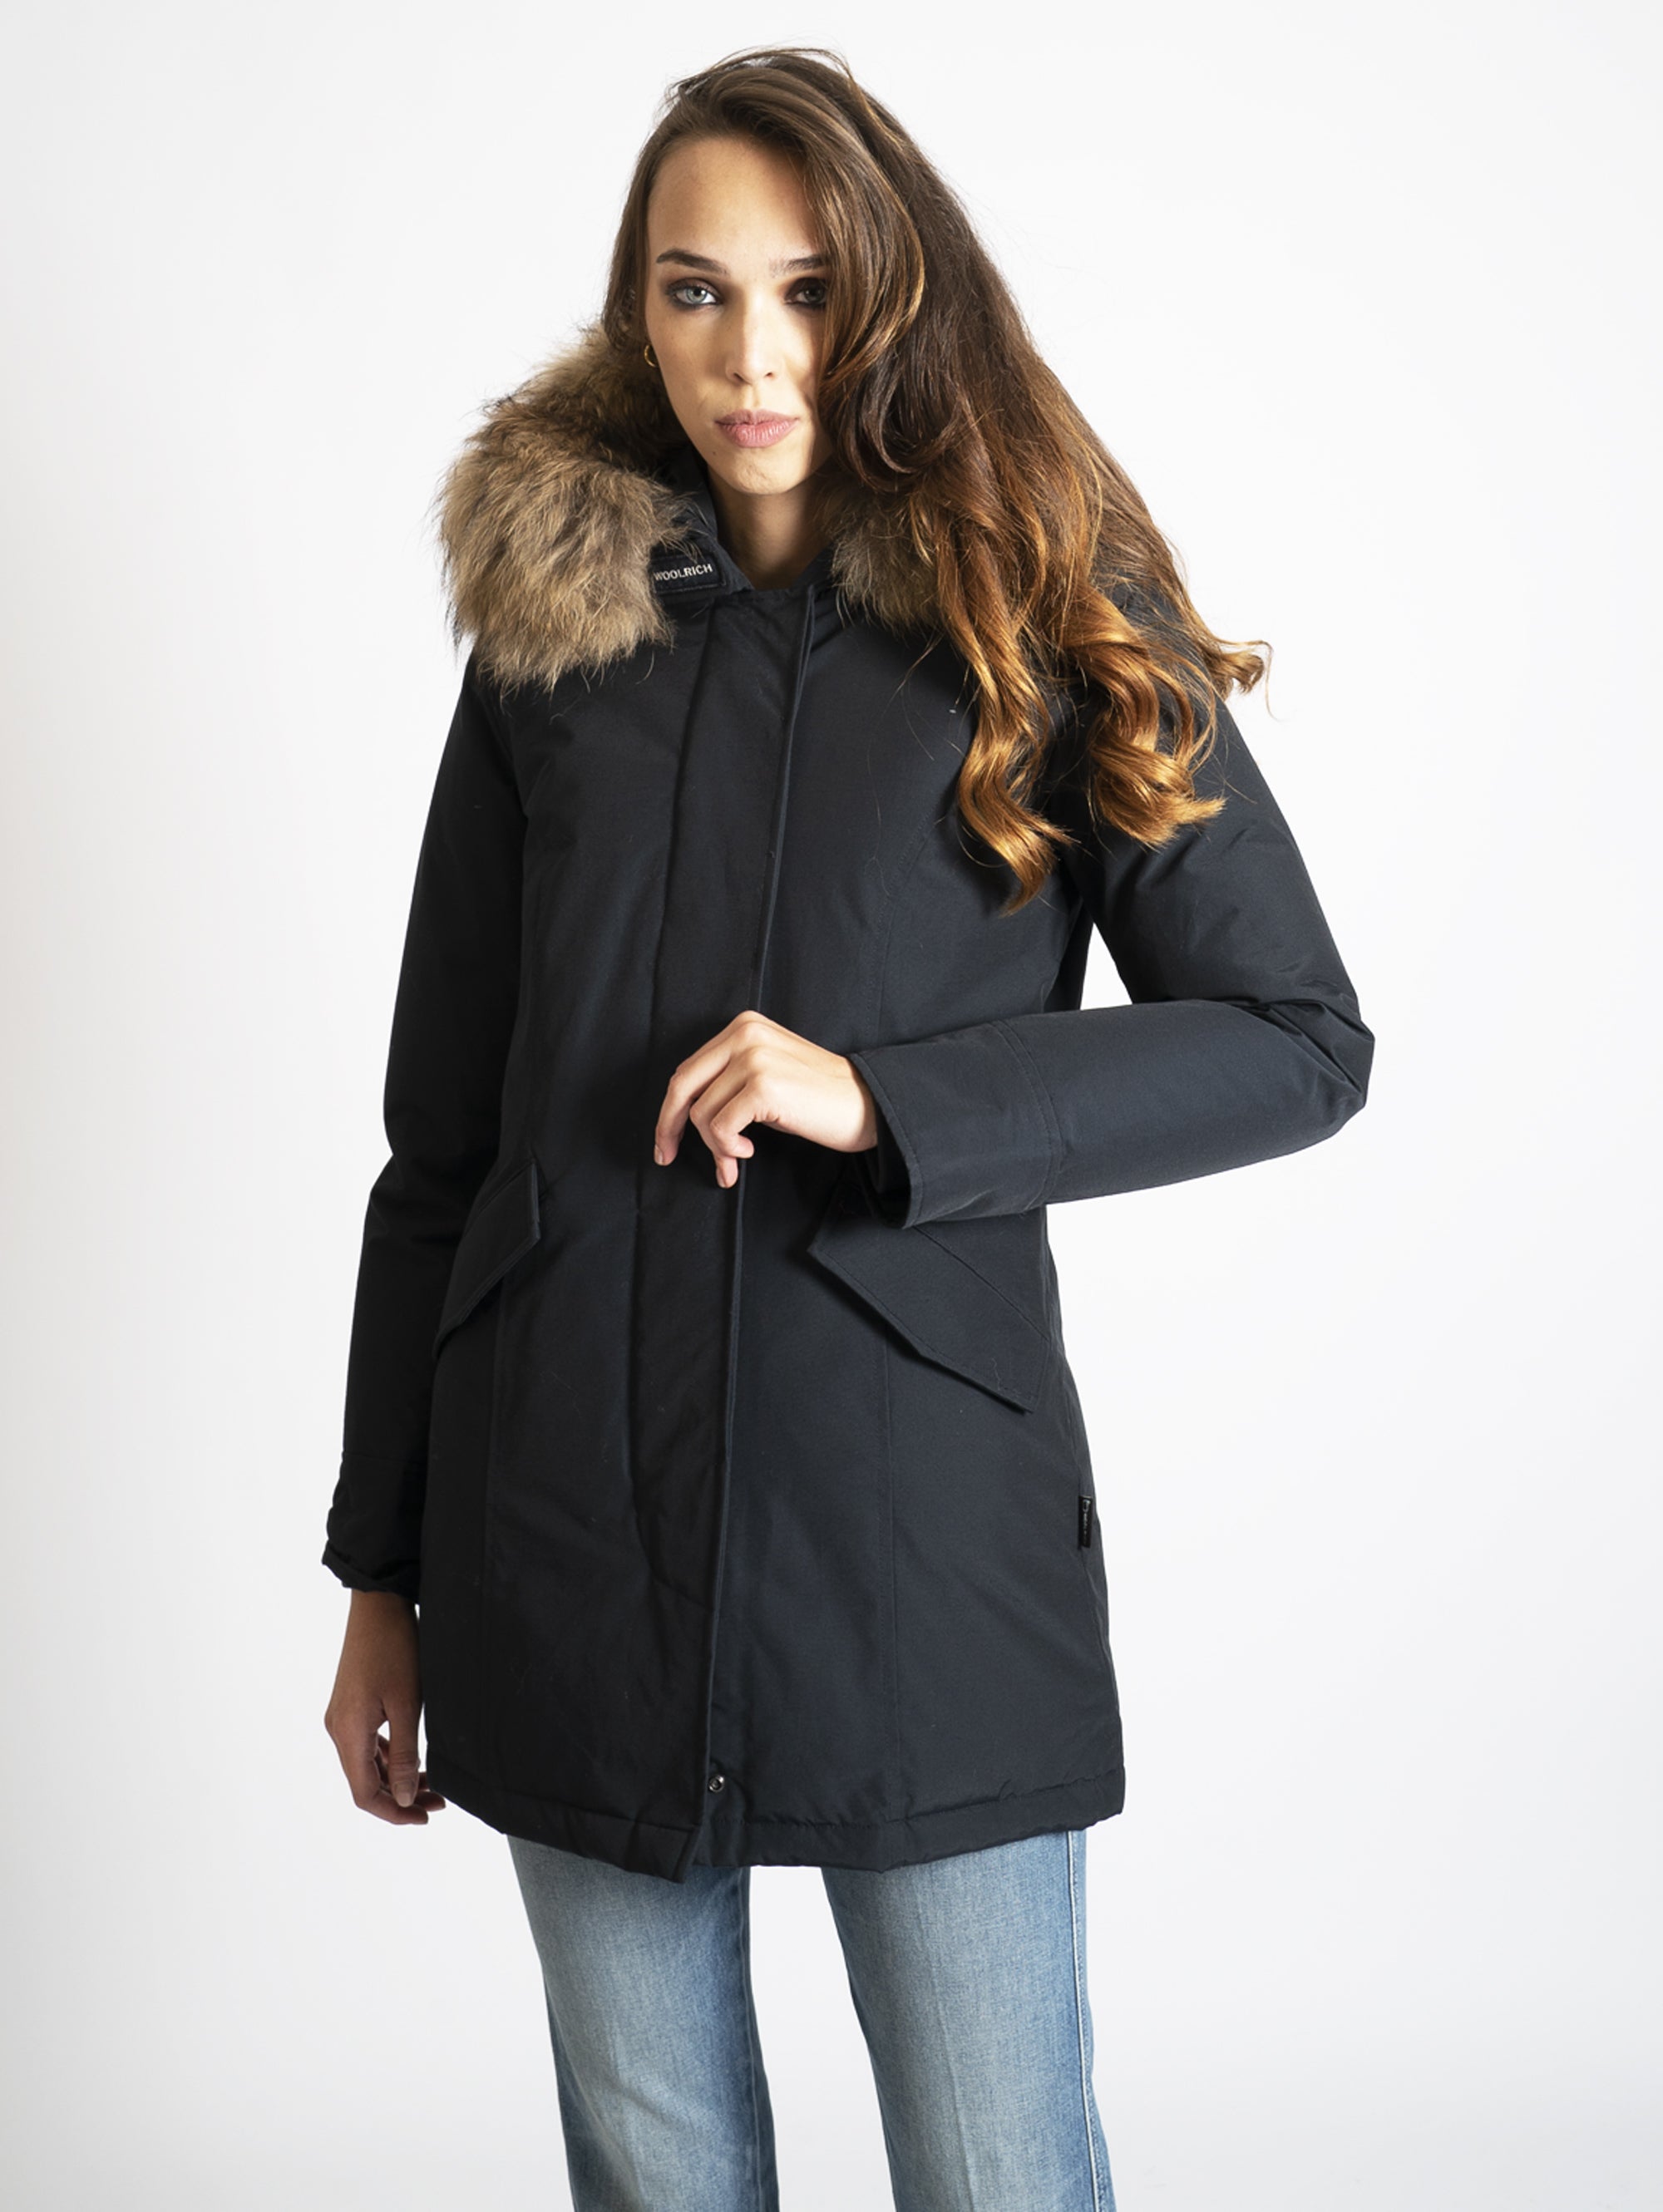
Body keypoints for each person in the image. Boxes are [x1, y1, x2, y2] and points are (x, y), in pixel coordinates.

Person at [321, 45, 1373, 2212]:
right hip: (564, 1534)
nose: (752, 355)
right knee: (656, 2177)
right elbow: (441, 1143)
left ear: (892, 290)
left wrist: (883, 1096)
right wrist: (379, 1573)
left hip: (917, 1546)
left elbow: (1295, 1038)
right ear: (638, 307)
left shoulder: (1044, 603)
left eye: (805, 290)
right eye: (695, 292)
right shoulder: (551, 631)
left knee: (1001, 2172)